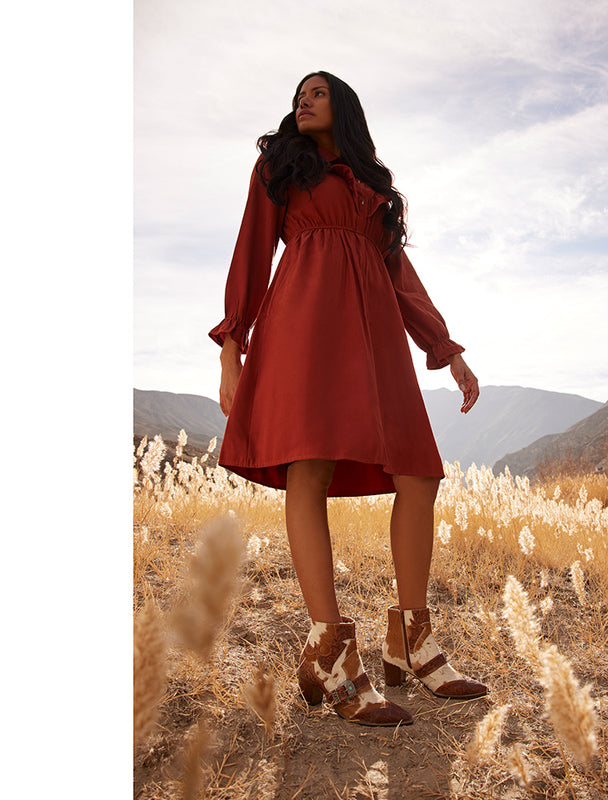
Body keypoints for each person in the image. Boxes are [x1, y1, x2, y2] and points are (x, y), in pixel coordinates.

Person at [209, 71, 487, 727]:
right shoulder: (280, 166)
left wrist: (445, 348)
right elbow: (251, 250)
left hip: (377, 339)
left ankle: (411, 642)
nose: (302, 101)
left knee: (419, 473)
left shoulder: (374, 191)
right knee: (309, 467)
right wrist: (232, 344)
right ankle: (329, 647)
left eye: (317, 92)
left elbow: (400, 273)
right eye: (297, 94)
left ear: (345, 107)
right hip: (303, 326)